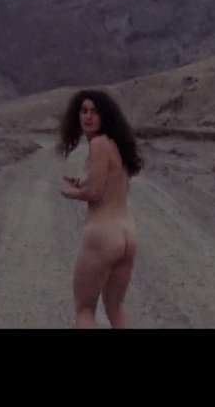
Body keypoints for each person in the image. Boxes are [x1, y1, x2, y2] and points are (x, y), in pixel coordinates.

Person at [57, 89, 144, 329]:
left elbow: (95, 194)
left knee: (84, 310)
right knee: (116, 308)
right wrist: (83, 183)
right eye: (84, 111)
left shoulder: (98, 144)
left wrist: (69, 191)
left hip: (103, 233)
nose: (87, 116)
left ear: (105, 115)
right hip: (127, 232)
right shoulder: (118, 145)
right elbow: (111, 187)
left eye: (94, 111)